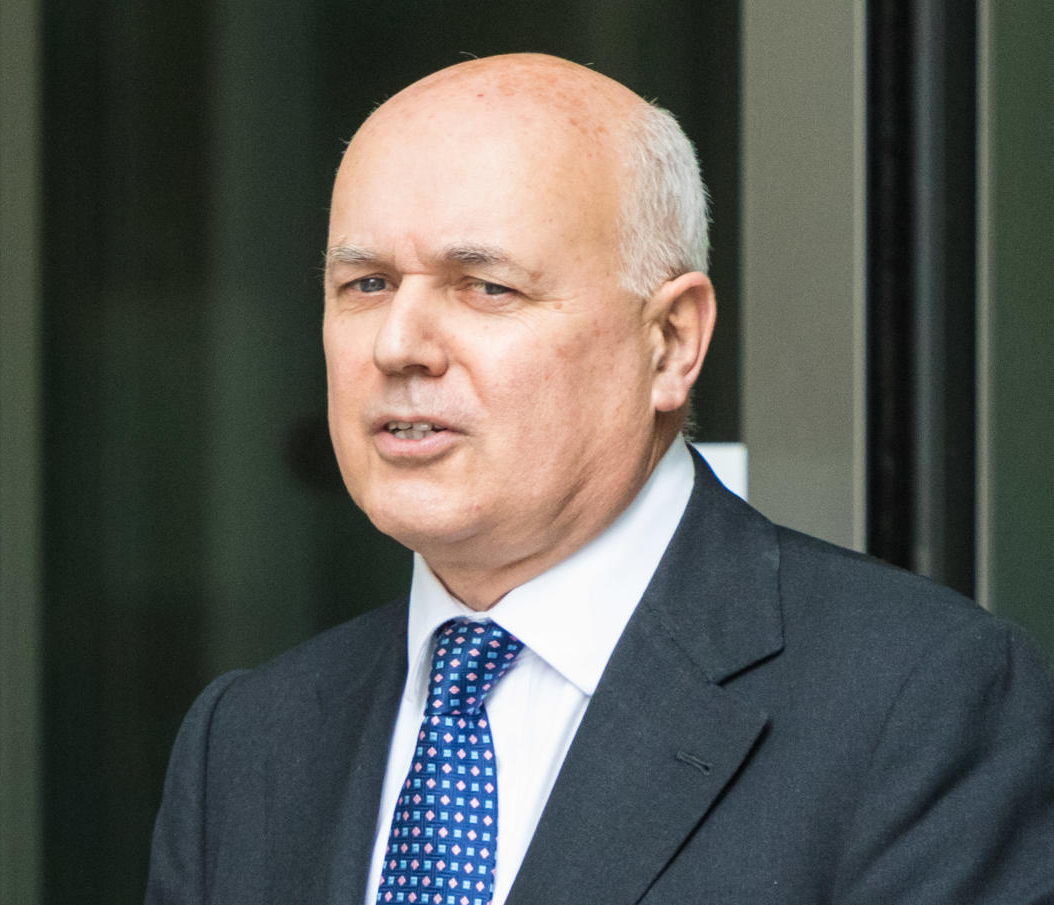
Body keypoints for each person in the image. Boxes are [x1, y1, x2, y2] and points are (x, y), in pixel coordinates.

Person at [146, 53, 1054, 904]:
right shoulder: (249, 741)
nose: (398, 346)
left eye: (484, 286)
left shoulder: (921, 702)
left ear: (670, 344)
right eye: (368, 284)